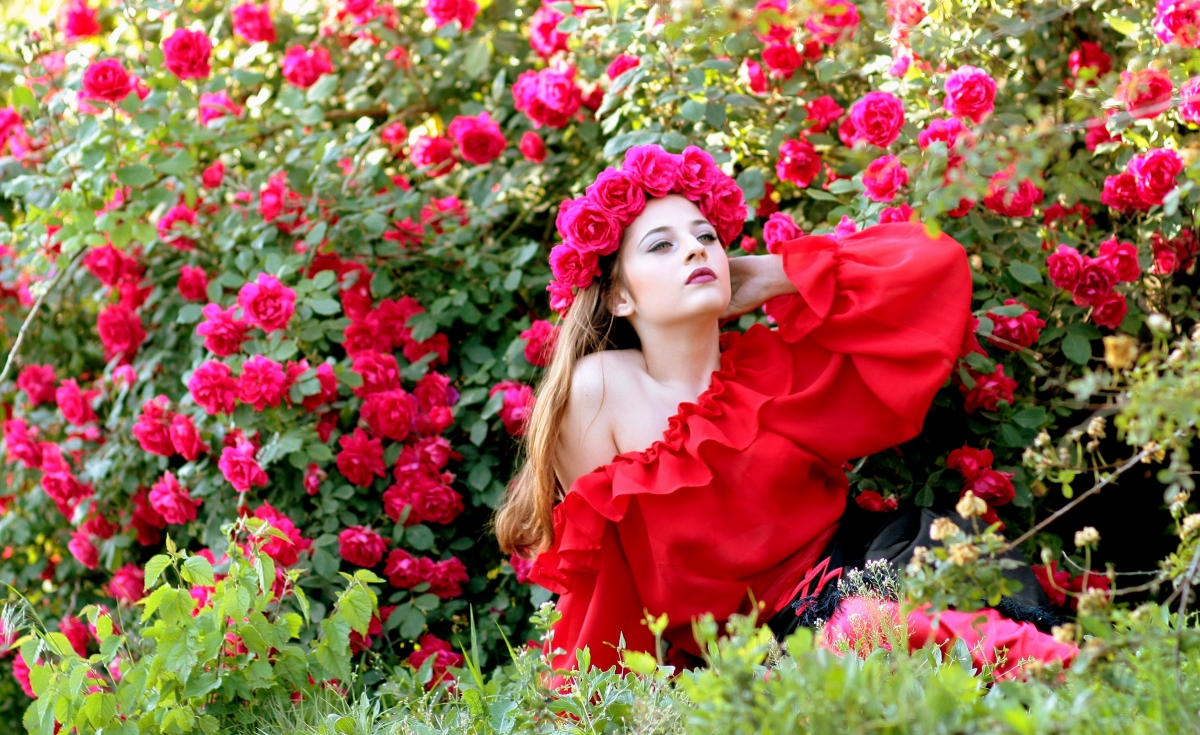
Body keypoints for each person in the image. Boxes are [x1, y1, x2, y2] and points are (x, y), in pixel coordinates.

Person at [492, 143, 1075, 683]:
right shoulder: (599, 389)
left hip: (884, 567)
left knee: (874, 626)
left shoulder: (773, 368)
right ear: (620, 296)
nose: (696, 249)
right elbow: (605, 580)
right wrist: (607, 697)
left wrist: (774, 275)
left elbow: (932, 269)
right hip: (766, 652)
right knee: (863, 632)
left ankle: (1087, 670)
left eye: (706, 237)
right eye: (661, 245)